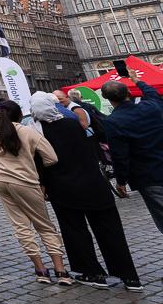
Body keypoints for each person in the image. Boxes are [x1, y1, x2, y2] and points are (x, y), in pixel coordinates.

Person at [34, 92, 141, 290]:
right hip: (95, 184)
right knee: (111, 231)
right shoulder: (74, 124)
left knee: (75, 230)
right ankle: (130, 276)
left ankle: (91, 272)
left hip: (64, 188)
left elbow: (43, 164)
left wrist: (43, 187)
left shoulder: (40, 133)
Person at [0, 99, 73, 285]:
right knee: (44, 224)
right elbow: (51, 158)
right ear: (19, 115)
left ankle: (40, 270)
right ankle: (60, 270)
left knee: (21, 226)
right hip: (24, 181)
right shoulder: (28, 132)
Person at [101, 71, 163, 234]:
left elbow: (120, 155)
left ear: (108, 99)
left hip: (149, 176)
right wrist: (137, 80)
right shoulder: (152, 106)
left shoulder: (113, 122)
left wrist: (121, 181)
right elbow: (152, 93)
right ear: (129, 93)